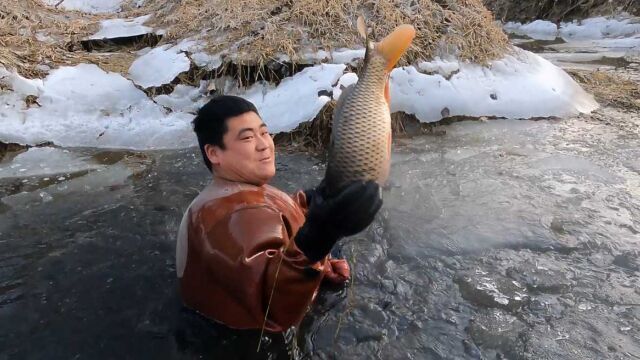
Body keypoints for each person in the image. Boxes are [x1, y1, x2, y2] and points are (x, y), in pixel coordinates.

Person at [176, 95, 382, 332]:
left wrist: (313, 199)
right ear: (214, 153)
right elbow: (275, 307)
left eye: (264, 133)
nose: (264, 144)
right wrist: (320, 236)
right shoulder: (233, 217)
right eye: (247, 138)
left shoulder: (228, 194)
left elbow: (271, 215)